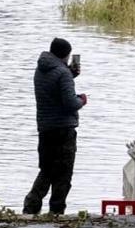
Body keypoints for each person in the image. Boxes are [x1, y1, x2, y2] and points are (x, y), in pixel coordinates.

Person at [23, 37, 87, 215]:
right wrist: (82, 100)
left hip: (45, 129)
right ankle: (57, 212)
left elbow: (52, 86)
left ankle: (30, 207)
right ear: (65, 55)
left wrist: (70, 75)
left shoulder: (41, 69)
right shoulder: (63, 73)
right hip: (64, 130)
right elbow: (69, 103)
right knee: (63, 175)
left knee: (47, 170)